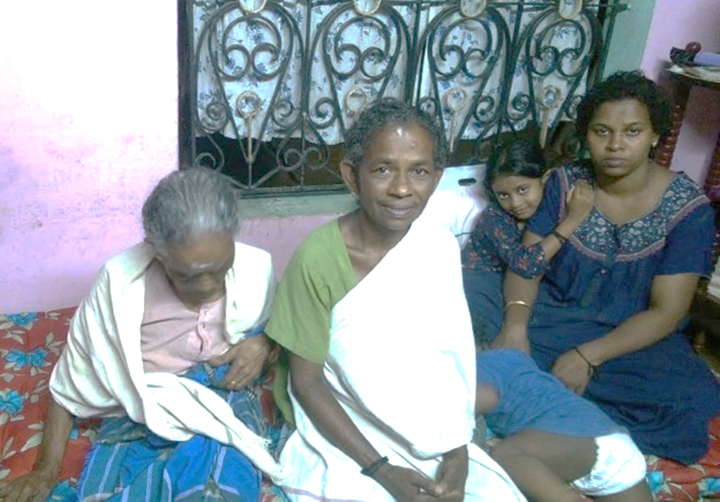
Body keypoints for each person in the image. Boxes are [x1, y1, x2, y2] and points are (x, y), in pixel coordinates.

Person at [265, 98, 525, 501]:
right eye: (383, 169)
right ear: (352, 176)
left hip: (432, 430)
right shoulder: (317, 260)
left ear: (436, 177)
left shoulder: (437, 246)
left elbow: (451, 359)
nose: (402, 189)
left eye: (419, 171)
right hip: (350, 429)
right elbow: (307, 382)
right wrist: (381, 471)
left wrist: (458, 450)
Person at [0, 168, 289, 502]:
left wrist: (263, 341)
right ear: (156, 251)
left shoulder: (255, 268)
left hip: (224, 395)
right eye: (188, 276)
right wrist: (44, 472)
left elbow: (286, 323)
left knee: (219, 486)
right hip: (144, 403)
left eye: (220, 269)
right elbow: (69, 385)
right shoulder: (120, 287)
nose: (208, 286)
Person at [494, 71, 720, 464]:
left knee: (692, 396)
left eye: (632, 131)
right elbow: (527, 264)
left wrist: (587, 356)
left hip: (630, 337)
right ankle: (549, 407)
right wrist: (515, 329)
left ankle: (549, 414)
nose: (615, 145)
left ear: (654, 135)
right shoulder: (565, 182)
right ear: (586, 135)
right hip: (551, 316)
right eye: (602, 132)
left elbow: (667, 312)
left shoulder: (689, 209)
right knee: (476, 312)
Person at [462, 134, 594, 344]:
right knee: (487, 338)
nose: (515, 203)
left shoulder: (548, 210)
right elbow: (525, 264)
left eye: (522, 190)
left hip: (513, 288)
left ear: (545, 178)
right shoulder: (495, 219)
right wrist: (573, 220)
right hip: (480, 283)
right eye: (503, 195)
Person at [475, 348, 652, 502]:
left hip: (578, 438)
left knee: (504, 454)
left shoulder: (476, 366)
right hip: (612, 444)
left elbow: (487, 397)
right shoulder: (514, 358)